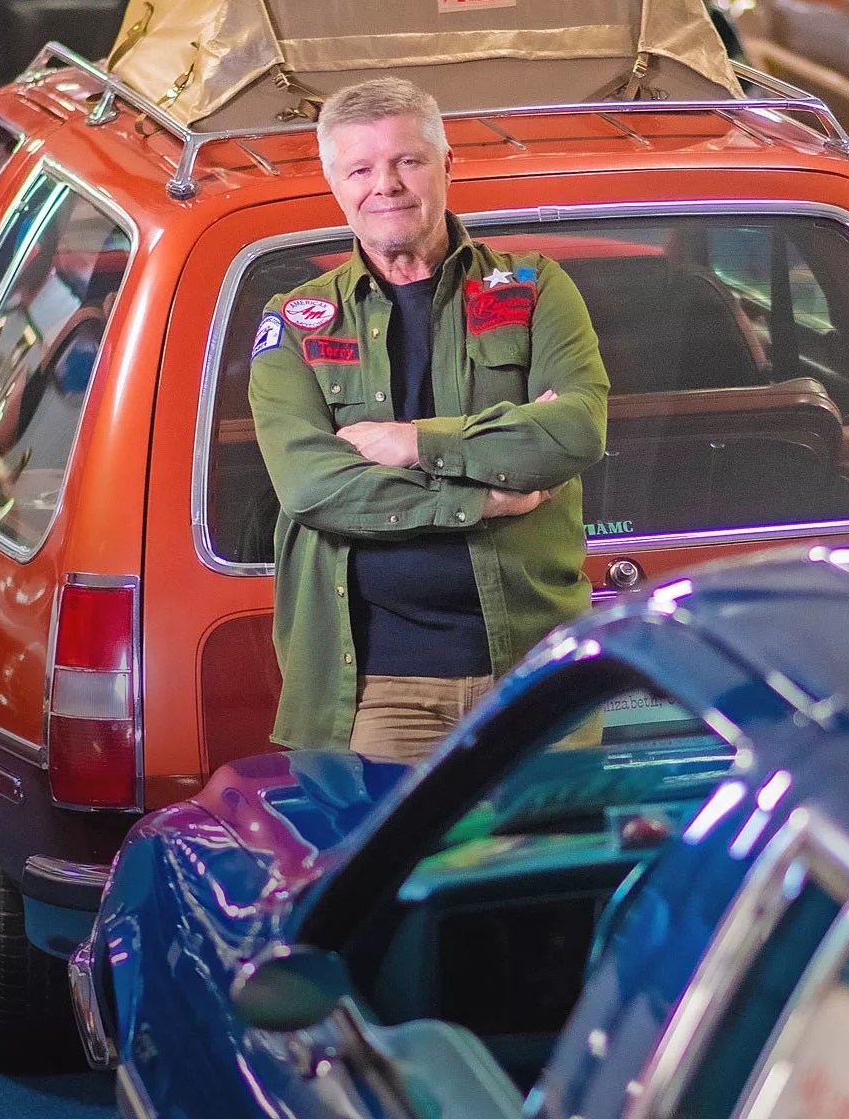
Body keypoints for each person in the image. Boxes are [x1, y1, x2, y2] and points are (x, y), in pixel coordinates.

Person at [248, 76, 609, 761]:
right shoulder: (295, 322)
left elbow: (575, 432)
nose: (385, 185)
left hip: (536, 674)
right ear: (335, 183)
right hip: (379, 690)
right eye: (360, 169)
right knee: (382, 839)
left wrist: (415, 441)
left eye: (407, 161)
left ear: (447, 165)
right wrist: (483, 499)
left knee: (559, 837)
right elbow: (310, 486)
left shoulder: (535, 287)